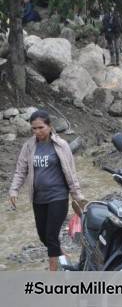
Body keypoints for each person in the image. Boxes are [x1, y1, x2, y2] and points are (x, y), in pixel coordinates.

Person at [8, 110, 85, 271]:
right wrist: (14, 190)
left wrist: (78, 196)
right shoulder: (29, 146)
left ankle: (53, 273)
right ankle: (63, 255)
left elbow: (71, 173)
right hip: (38, 198)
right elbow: (21, 170)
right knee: (43, 236)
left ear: (50, 126)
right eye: (34, 128)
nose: (37, 131)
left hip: (58, 197)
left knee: (51, 235)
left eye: (40, 127)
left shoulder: (61, 145)